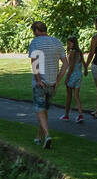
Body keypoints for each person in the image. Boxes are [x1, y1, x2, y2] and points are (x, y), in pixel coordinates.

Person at [27, 20, 67, 149]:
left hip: (41, 84)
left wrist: (38, 80)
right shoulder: (57, 42)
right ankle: (39, 137)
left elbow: (34, 62)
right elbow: (65, 64)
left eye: (34, 32)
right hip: (52, 83)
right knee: (44, 110)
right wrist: (58, 80)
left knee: (39, 109)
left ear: (37, 31)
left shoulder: (35, 43)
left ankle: (47, 135)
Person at [60, 36, 86, 123]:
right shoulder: (80, 52)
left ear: (74, 43)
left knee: (69, 96)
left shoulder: (72, 53)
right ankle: (80, 114)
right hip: (79, 75)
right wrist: (85, 70)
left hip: (72, 75)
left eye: (69, 43)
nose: (68, 45)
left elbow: (71, 67)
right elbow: (84, 63)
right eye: (67, 43)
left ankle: (66, 115)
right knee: (76, 96)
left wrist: (67, 77)